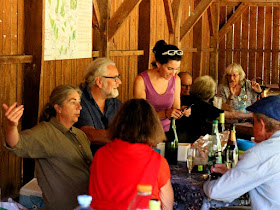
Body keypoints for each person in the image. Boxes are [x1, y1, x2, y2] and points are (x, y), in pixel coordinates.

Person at [2, 85, 93, 210]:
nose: (79, 107)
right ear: (58, 108)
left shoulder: (80, 134)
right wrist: (12, 126)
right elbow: (16, 144)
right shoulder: (46, 132)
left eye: (79, 102)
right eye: (73, 102)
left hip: (87, 204)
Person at [89, 99, 174, 209]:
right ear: (152, 126)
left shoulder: (100, 154)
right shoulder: (157, 161)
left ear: (118, 122)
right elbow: (167, 206)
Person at [203, 95, 280, 210]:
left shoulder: (260, 154)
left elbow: (217, 192)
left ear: (262, 125)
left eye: (253, 122)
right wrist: (232, 174)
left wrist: (208, 182)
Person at [133, 40, 190, 133]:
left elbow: (175, 109)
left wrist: (182, 112)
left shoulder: (176, 79)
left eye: (176, 69)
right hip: (146, 132)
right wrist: (165, 113)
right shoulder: (141, 80)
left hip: (169, 131)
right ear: (158, 64)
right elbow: (141, 115)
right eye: (170, 68)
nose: (173, 73)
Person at [176, 75, 252, 143]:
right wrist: (251, 115)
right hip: (191, 142)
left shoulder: (183, 98)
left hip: (177, 138)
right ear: (210, 93)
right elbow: (231, 115)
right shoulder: (203, 106)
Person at [75, 57, 122, 155]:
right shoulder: (80, 101)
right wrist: (125, 137)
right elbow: (89, 134)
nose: (119, 82)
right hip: (88, 163)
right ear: (99, 81)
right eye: (114, 78)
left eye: (118, 77)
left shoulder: (115, 103)